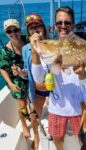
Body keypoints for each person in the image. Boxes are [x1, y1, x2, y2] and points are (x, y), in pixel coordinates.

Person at [31, 6, 86, 150]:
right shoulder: (49, 46)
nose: (63, 26)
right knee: (57, 138)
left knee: (84, 137)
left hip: (80, 105)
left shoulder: (81, 46)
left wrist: (82, 73)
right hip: (57, 107)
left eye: (67, 22)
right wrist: (35, 52)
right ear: (54, 25)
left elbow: (85, 80)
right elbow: (39, 78)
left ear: (73, 24)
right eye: (59, 23)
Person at [12, 14, 50, 150]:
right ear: (28, 32)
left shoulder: (52, 44)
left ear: (43, 28)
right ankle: (37, 138)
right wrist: (22, 73)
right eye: (31, 28)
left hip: (55, 89)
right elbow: (29, 71)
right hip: (38, 90)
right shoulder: (26, 49)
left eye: (37, 26)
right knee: (33, 116)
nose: (35, 30)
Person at [0, 19, 30, 138]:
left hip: (29, 73)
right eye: (9, 31)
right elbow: (2, 68)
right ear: (6, 33)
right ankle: (24, 125)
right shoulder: (5, 51)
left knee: (34, 99)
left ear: (20, 29)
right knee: (22, 105)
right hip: (16, 79)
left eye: (15, 30)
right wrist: (10, 84)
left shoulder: (27, 40)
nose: (13, 33)